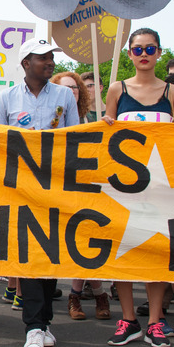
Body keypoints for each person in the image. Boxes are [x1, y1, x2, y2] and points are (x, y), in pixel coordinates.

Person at [0, 37, 79, 347]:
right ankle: (32, 328)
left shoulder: (64, 97)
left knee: (49, 254)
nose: (51, 62)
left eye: (51, 57)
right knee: (28, 254)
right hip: (21, 188)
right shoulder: (7, 98)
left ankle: (44, 324)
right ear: (26, 63)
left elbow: (75, 140)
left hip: (55, 187)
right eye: (43, 58)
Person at [101, 29, 174, 347]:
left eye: (150, 48)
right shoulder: (116, 90)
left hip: (161, 188)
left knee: (157, 251)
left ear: (160, 53)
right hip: (123, 187)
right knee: (123, 249)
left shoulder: (173, 93)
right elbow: (105, 137)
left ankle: (155, 321)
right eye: (137, 49)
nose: (144, 54)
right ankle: (128, 319)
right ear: (130, 54)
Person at [51, 71, 112, 322]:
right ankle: (96, 294)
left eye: (75, 87)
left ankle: (78, 295)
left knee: (88, 240)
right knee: (75, 242)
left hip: (93, 186)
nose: (72, 91)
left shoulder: (96, 118)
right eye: (66, 88)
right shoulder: (55, 117)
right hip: (62, 185)